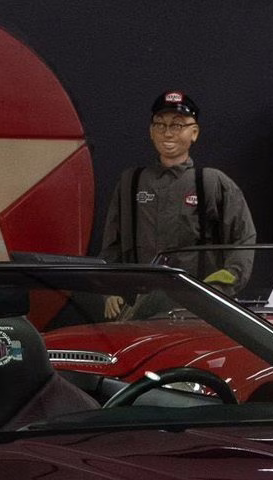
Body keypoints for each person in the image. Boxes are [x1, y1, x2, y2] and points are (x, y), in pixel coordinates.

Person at [98, 91, 257, 318]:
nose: (168, 133)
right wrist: (110, 290)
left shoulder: (211, 182)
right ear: (151, 131)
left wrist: (218, 290)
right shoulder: (131, 183)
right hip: (137, 307)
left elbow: (243, 240)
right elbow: (111, 247)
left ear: (194, 133)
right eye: (160, 125)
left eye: (177, 125)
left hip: (196, 309)